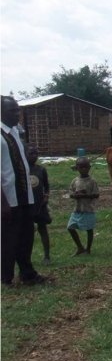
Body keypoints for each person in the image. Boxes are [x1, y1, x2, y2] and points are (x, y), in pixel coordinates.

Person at [1, 96, 51, 285]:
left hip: (24, 196)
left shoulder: (15, 133)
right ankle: (6, 277)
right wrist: (2, 203)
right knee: (8, 239)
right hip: (9, 199)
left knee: (26, 237)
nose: (17, 114)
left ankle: (27, 273)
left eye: (17, 110)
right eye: (12, 110)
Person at [67, 156, 100, 256]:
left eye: (86, 167)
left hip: (88, 210)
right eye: (81, 167)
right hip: (77, 209)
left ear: (89, 167)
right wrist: (75, 195)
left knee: (89, 229)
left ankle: (88, 249)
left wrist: (86, 195)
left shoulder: (92, 181)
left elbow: (96, 194)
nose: (83, 169)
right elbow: (70, 193)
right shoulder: (75, 181)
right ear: (77, 168)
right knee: (70, 227)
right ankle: (80, 247)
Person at [26, 143, 52, 264]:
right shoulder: (22, 170)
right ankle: (26, 257)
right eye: (31, 153)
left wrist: (46, 197)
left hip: (40, 204)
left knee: (43, 229)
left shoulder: (41, 169)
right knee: (27, 232)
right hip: (27, 206)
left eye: (36, 153)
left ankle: (47, 256)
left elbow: (46, 186)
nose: (34, 156)